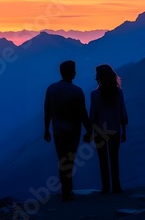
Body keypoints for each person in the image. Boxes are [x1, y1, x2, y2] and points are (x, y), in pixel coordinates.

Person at [44, 60, 92, 201]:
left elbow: (47, 112)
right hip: (72, 132)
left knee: (61, 160)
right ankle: (67, 191)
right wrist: (89, 130)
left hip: (58, 132)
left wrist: (46, 130)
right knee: (70, 161)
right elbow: (83, 114)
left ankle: (65, 191)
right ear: (72, 72)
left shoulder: (51, 89)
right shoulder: (76, 91)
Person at [88, 64, 128, 194]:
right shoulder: (118, 93)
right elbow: (123, 112)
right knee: (114, 159)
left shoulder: (94, 95)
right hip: (115, 130)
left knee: (103, 160)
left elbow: (93, 115)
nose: (95, 77)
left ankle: (105, 188)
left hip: (99, 132)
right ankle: (116, 186)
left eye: (97, 75)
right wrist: (124, 131)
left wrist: (90, 131)